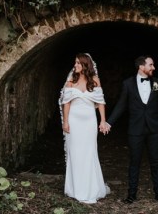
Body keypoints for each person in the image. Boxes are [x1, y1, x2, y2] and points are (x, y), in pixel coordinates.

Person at [103, 55, 158, 203]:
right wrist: (109, 122)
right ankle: (131, 195)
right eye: (151, 65)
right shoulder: (128, 84)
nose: (153, 67)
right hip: (135, 130)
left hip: (153, 129)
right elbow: (121, 105)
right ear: (141, 67)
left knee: (155, 162)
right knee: (134, 162)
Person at [58, 53, 110, 204]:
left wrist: (103, 121)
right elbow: (66, 103)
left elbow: (101, 102)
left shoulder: (95, 81)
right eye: (75, 63)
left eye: (78, 63)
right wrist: (66, 122)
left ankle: (91, 189)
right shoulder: (70, 82)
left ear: (85, 65)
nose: (75, 65)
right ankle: (76, 189)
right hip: (74, 121)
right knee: (75, 153)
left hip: (89, 122)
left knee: (89, 153)